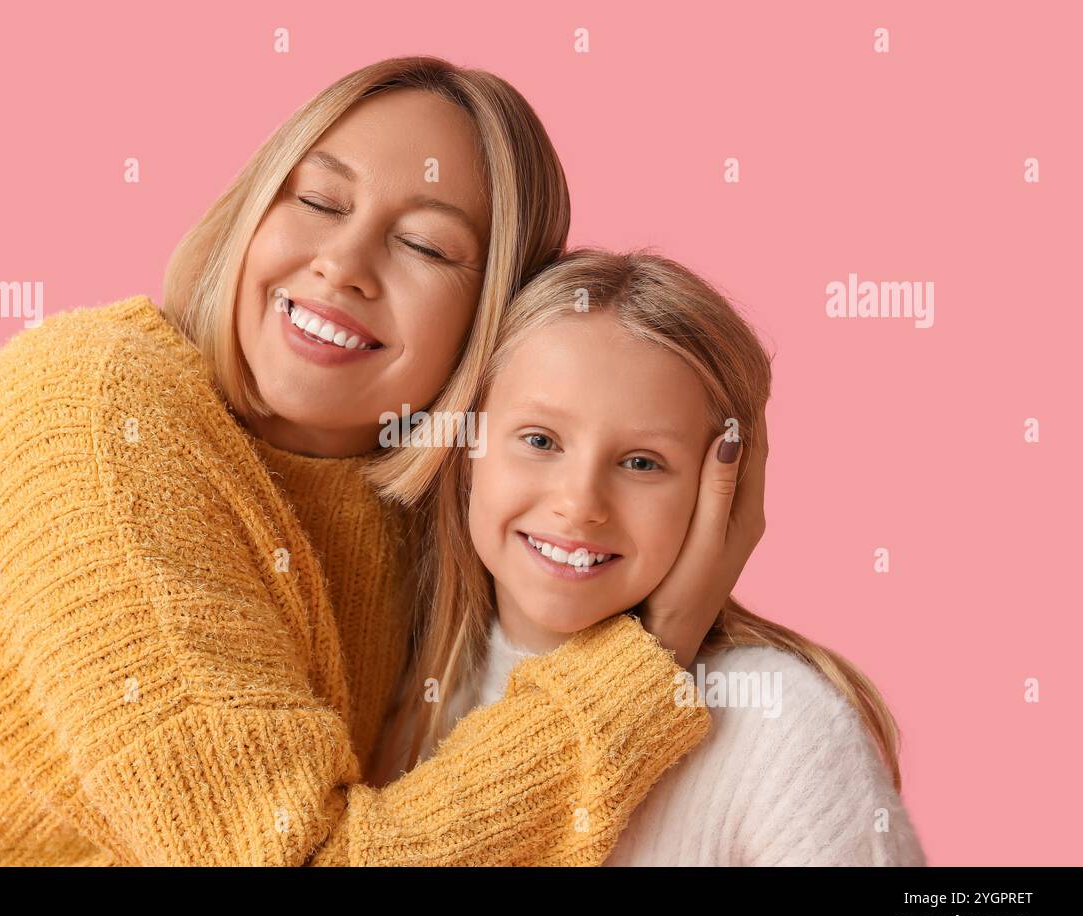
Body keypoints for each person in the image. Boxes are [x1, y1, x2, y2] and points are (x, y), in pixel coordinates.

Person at [0, 59, 758, 866]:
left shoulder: (427, 499)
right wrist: (647, 655)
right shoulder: (98, 418)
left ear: (489, 327)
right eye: (319, 199)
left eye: (423, 243)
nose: (344, 261)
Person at [373, 248, 925, 866]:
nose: (580, 504)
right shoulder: (397, 700)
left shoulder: (776, 726)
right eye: (540, 440)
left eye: (642, 463)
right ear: (469, 446)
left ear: (723, 493)